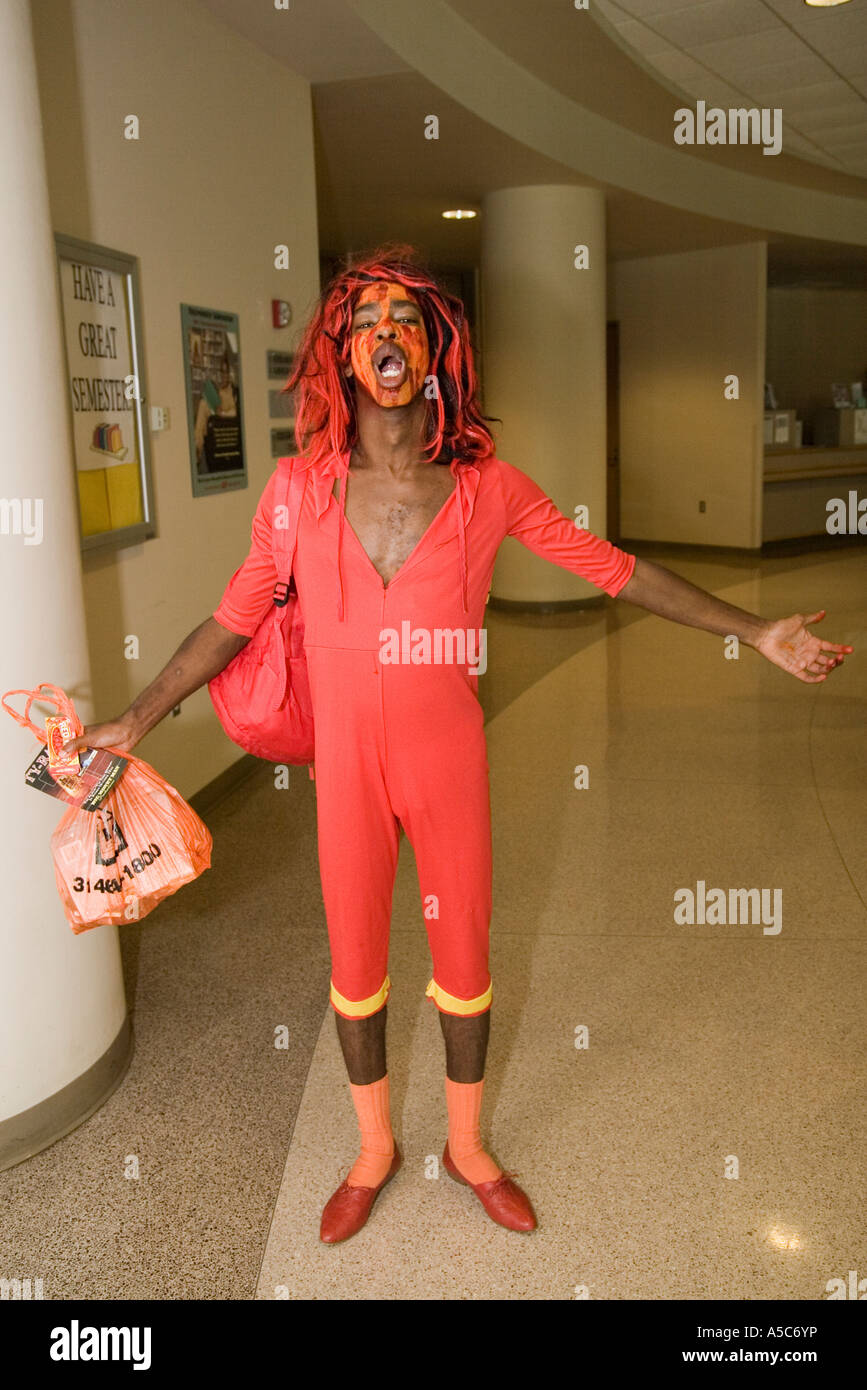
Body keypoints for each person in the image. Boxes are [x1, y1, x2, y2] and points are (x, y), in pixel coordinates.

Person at [62, 244, 852, 1245]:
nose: (384, 332)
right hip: (345, 770)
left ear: (433, 349)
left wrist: (753, 630)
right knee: (354, 965)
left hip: (448, 766)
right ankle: (372, 1149)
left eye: (405, 318)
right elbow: (230, 618)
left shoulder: (489, 490)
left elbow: (619, 570)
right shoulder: (298, 492)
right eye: (364, 320)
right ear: (344, 356)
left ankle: (471, 1149)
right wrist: (136, 716)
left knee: (466, 960)